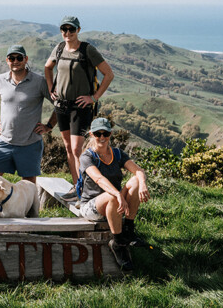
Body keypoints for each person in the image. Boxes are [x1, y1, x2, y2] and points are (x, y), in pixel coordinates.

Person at [43, 15, 114, 199]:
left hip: (80, 107)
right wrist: (51, 88)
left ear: (78, 30)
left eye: (71, 29)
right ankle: (77, 188)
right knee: (69, 148)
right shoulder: (59, 48)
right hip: (62, 105)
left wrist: (94, 97)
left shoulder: (87, 50)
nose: (67, 33)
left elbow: (108, 74)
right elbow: (47, 67)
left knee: (76, 149)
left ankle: (85, 188)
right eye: (64, 29)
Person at [75, 117, 150, 272]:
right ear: (91, 134)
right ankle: (118, 244)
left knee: (136, 181)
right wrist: (118, 194)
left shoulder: (117, 154)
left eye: (106, 133)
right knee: (112, 196)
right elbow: (98, 179)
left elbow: (138, 170)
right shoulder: (87, 157)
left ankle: (129, 230)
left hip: (115, 203)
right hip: (91, 206)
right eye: (98, 134)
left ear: (110, 134)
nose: (102, 137)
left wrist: (142, 183)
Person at [0, 44, 55, 183]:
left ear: (26, 59)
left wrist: (49, 126)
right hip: (5, 141)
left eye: (19, 58)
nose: (15, 61)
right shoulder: (0, 80)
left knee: (28, 184)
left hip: (30, 144)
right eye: (12, 58)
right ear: (7, 61)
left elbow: (58, 105)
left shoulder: (39, 81)